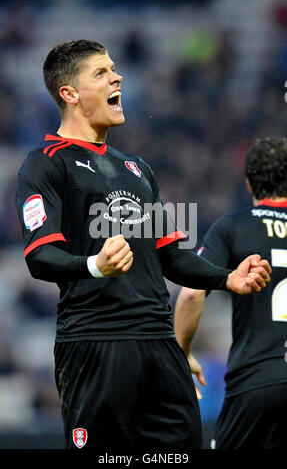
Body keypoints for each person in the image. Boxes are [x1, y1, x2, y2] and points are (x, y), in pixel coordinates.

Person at [15, 40, 271, 452]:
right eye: (100, 73)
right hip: (97, 343)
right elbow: (39, 255)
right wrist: (95, 265)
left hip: (159, 343)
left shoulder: (137, 170)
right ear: (69, 93)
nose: (117, 77)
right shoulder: (46, 163)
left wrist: (229, 278)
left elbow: (172, 256)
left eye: (114, 69)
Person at [174, 137, 287, 449]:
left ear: (249, 184)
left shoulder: (232, 227)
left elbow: (192, 294)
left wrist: (181, 354)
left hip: (257, 381)